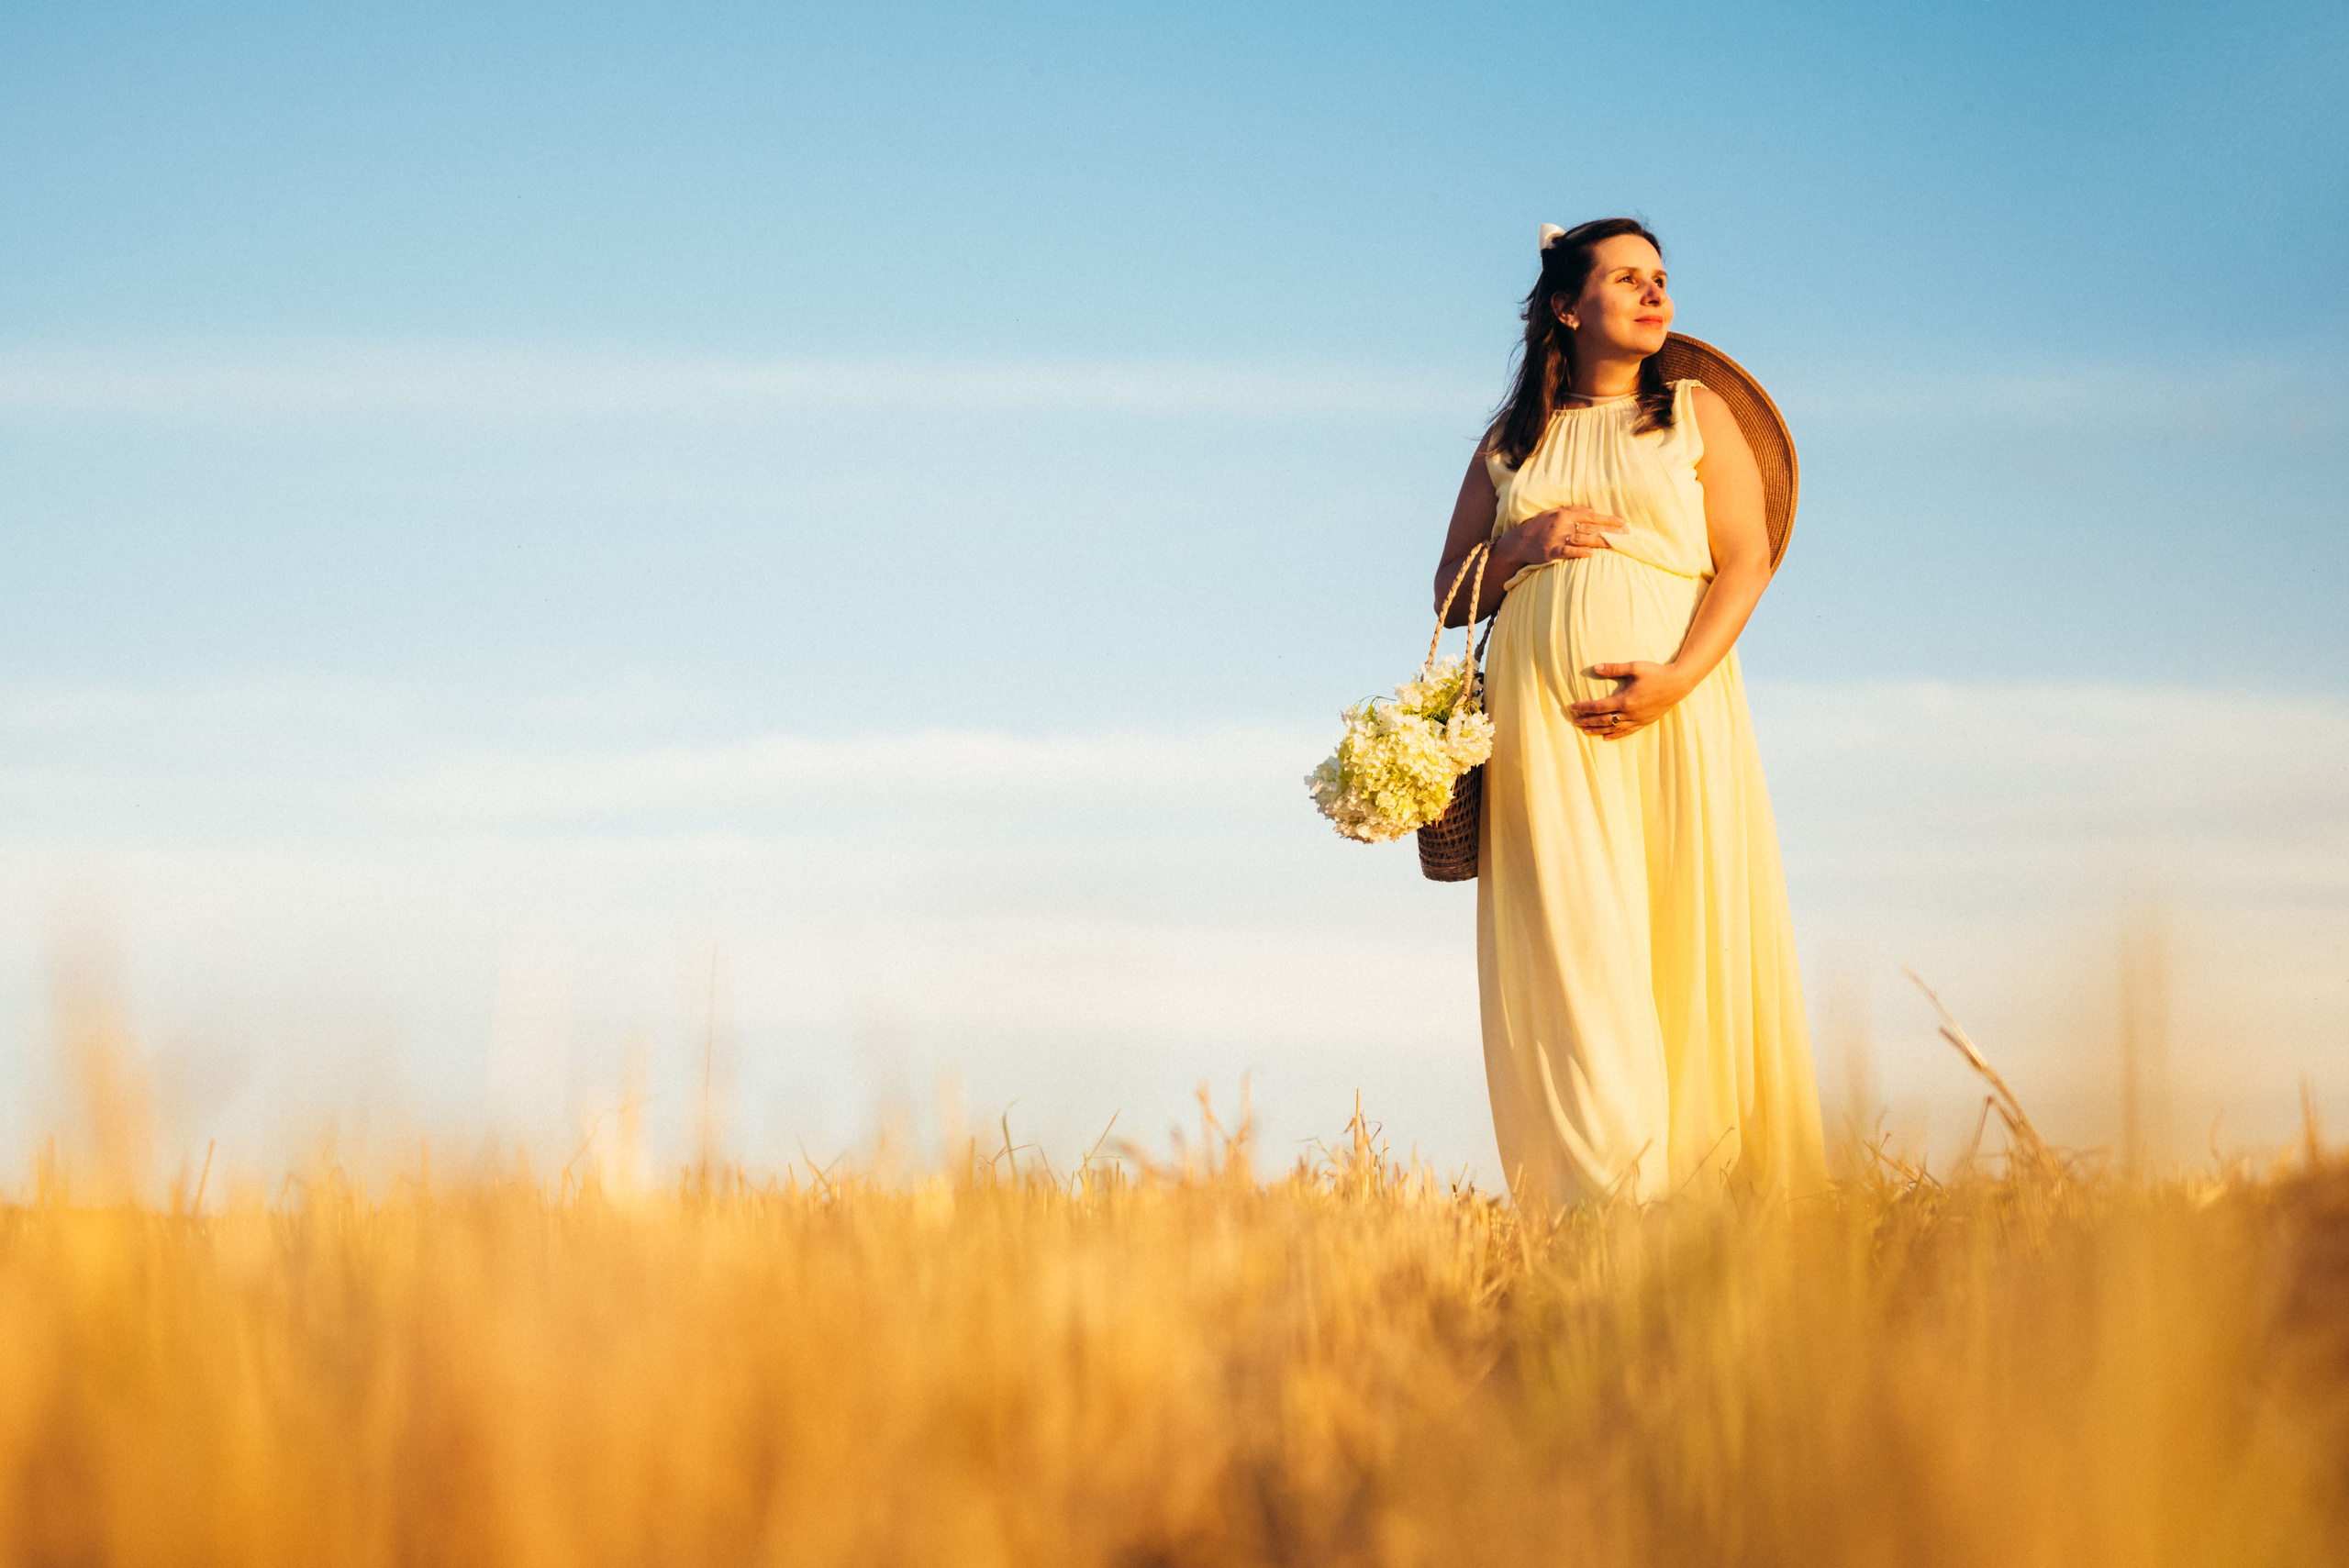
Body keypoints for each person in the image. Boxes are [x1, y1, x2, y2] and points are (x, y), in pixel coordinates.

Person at [1432, 217, 1827, 1206]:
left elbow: (1747, 558)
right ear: (1568, 306)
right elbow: (1449, 591)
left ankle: (1701, 1185)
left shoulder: (1693, 413)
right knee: (1572, 934)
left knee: (1676, 919)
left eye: (1661, 278)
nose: (1656, 294)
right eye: (1626, 278)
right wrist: (1523, 546)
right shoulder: (1511, 441)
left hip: (1676, 710)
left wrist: (1680, 675)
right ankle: (1606, 1192)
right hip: (1539, 727)